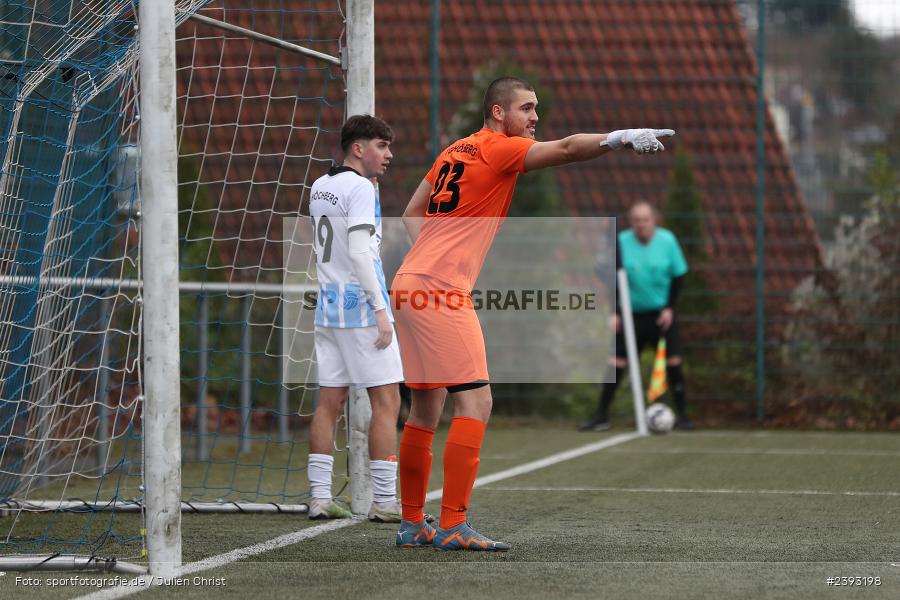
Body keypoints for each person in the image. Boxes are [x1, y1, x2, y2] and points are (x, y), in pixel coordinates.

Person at [392, 76, 675, 551]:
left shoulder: (454, 150)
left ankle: (411, 523)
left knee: (425, 409)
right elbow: (565, 149)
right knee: (477, 402)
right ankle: (453, 525)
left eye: (536, 109)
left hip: (408, 283)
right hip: (440, 289)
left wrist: (439, 253)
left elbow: (411, 212)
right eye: (527, 108)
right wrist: (617, 138)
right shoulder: (497, 148)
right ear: (498, 113)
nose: (535, 118)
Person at [305, 114, 405, 522]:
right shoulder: (360, 188)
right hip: (360, 306)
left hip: (328, 303)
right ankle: (384, 502)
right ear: (358, 149)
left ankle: (319, 497)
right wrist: (381, 309)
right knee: (387, 400)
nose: (389, 154)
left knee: (330, 402)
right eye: (381, 146)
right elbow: (362, 252)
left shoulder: (321, 184)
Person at [579, 201, 694, 432]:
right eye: (637, 220)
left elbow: (678, 275)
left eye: (646, 219)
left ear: (654, 220)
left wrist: (669, 308)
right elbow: (612, 280)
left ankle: (683, 416)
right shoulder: (621, 242)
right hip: (631, 316)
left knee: (673, 361)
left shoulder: (667, 241)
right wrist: (616, 313)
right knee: (616, 362)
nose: (641, 224)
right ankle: (601, 415)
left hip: (661, 315)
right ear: (632, 222)